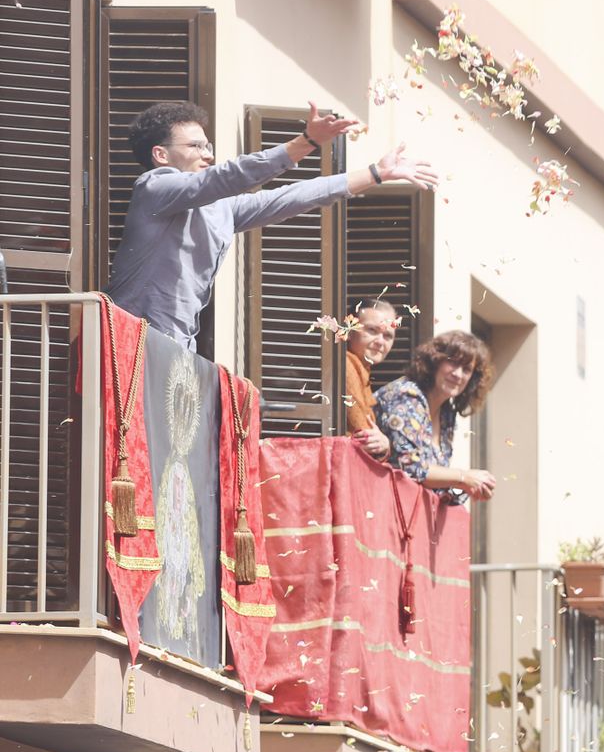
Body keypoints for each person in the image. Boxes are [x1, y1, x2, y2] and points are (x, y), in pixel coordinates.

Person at [107, 100, 440, 351]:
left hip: (176, 348)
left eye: (208, 145)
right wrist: (306, 141)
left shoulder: (221, 208)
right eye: (195, 146)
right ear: (161, 155)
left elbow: (291, 197)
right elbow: (229, 176)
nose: (207, 154)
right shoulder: (154, 187)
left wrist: (375, 174)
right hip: (128, 340)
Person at [374, 330, 497, 503]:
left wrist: (471, 486)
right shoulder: (406, 396)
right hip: (379, 511)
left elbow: (432, 485)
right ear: (435, 361)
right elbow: (410, 468)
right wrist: (463, 477)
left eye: (467, 369)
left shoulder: (447, 413)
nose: (458, 374)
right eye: (453, 363)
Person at [344, 298, 398, 460]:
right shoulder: (346, 365)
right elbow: (364, 434)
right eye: (372, 330)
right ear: (349, 330)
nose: (380, 342)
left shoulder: (362, 371)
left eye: (387, 335)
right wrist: (384, 445)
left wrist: (385, 444)